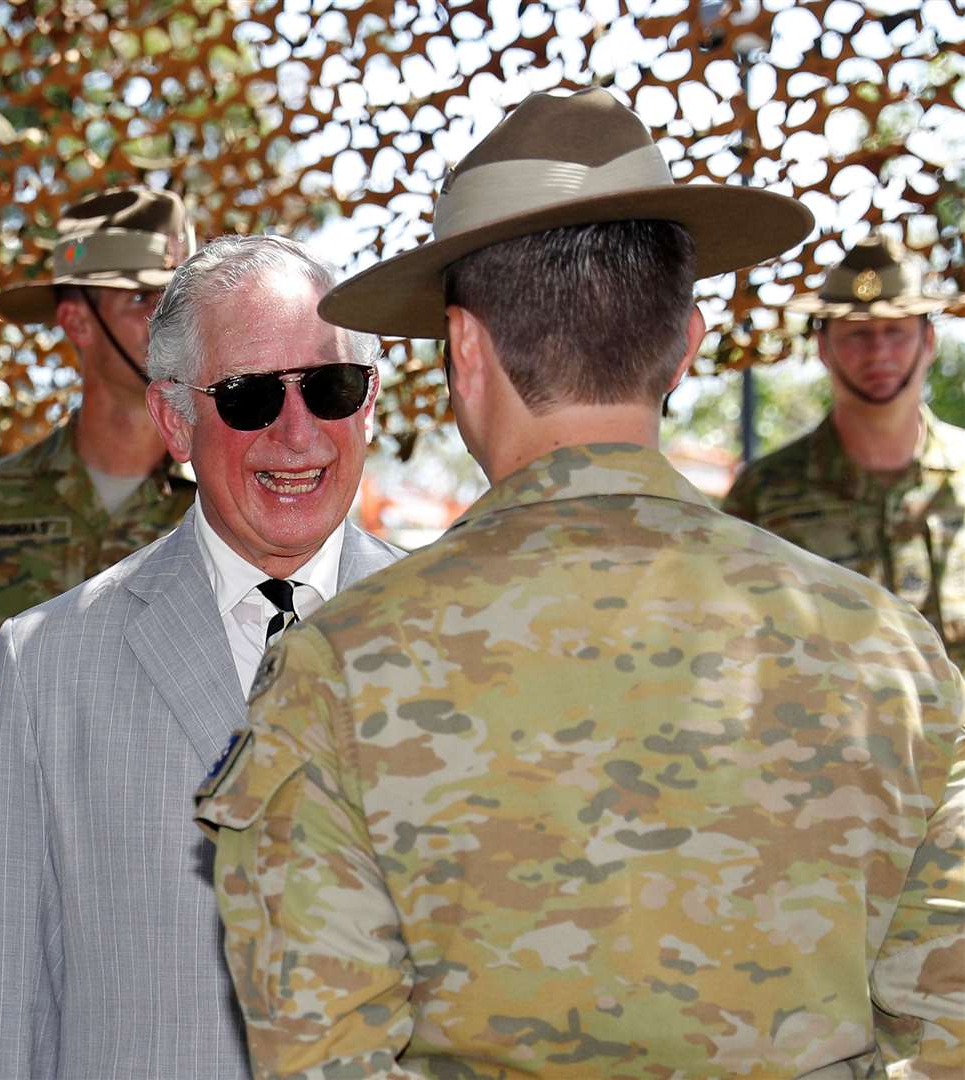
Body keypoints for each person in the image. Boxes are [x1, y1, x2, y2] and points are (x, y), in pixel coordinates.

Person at [196, 88, 964, 1078]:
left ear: (462, 351)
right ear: (683, 345)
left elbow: (318, 1058)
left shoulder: (335, 672)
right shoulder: (892, 656)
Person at [0, 234, 404, 1079]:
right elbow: (2, 1015)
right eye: (248, 397)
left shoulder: (450, 642)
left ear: (370, 401)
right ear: (175, 420)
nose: (298, 433)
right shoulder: (46, 667)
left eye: (331, 389)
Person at [0, 186, 197, 1074]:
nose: (172, 324)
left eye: (182, 300)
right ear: (75, 322)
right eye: (145, 302)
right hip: (23, 936)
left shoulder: (241, 501)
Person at [724, 235, 965, 664]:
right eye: (857, 335)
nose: (878, 352)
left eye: (895, 331)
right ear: (823, 347)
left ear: (928, 341)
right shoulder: (763, 496)